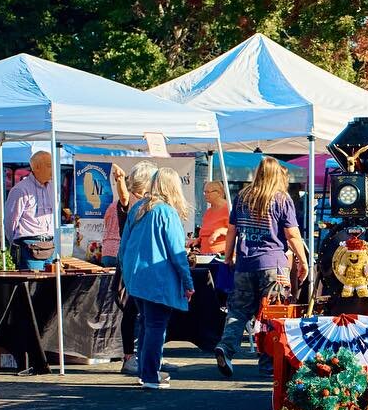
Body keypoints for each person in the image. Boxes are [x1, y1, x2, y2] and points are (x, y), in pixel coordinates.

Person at [215, 157, 309, 378]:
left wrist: (228, 257)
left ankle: (226, 348)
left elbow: (231, 231)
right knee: (271, 315)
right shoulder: (281, 199)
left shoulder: (242, 197)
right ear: (278, 175)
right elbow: (292, 235)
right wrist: (303, 261)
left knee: (238, 311)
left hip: (244, 264)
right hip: (273, 265)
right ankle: (268, 364)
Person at [118, 168, 193, 389]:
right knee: (155, 327)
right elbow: (177, 254)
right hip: (158, 280)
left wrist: (127, 275)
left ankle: (146, 372)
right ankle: (150, 375)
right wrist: (188, 283)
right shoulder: (167, 212)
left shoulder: (138, 208)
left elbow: (123, 248)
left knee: (146, 324)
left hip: (137, 279)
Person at [115, 163, 155, 377]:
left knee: (149, 312)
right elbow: (123, 196)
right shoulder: (131, 201)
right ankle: (129, 357)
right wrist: (120, 180)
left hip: (145, 264)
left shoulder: (152, 204)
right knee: (131, 310)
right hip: (130, 265)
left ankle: (151, 354)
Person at [5, 151, 56, 271]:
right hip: (29, 246)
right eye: (49, 166)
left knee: (49, 285)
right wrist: (15, 243)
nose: (52, 169)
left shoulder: (52, 187)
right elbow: (10, 220)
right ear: (37, 167)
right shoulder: (20, 189)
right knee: (32, 284)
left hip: (49, 244)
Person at [100, 165, 128, 269]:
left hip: (106, 250)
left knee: (110, 284)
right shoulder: (129, 206)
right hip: (118, 250)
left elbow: (106, 225)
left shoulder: (111, 206)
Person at [196, 181, 231, 255]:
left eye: (208, 192)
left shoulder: (229, 209)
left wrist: (219, 231)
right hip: (205, 255)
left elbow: (236, 230)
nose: (205, 195)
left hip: (221, 256)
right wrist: (197, 240)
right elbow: (205, 232)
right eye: (204, 192)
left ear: (219, 193)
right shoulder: (208, 212)